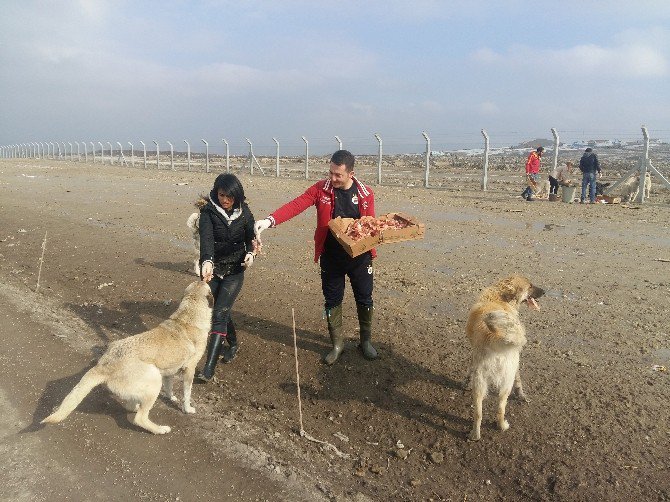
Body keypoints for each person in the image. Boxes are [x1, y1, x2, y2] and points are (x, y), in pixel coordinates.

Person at [254, 150, 378, 365]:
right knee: (332, 300)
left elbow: (371, 225)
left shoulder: (366, 194)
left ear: (351, 173)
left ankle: (365, 342)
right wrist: (270, 220)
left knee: (364, 297)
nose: (332, 178)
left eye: (338, 175)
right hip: (331, 256)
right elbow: (296, 204)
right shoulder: (321, 189)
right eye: (330, 173)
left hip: (359, 257)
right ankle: (337, 345)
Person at [197, 173, 257, 381]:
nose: (225, 200)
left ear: (237, 195)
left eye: (229, 196)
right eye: (222, 195)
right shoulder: (208, 212)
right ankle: (232, 342)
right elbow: (206, 240)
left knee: (220, 313)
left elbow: (252, 236)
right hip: (213, 269)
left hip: (235, 270)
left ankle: (208, 370)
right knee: (215, 308)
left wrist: (251, 253)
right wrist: (206, 261)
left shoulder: (245, 212)